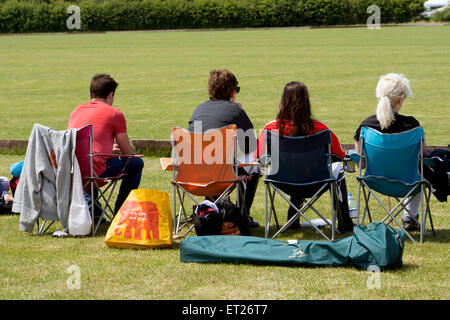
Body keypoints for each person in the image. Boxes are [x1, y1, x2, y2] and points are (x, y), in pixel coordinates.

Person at [255, 81, 352, 231]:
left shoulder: (270, 129)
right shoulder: (322, 130)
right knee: (337, 170)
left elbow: (258, 159)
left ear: (283, 101)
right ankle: (345, 223)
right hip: (316, 182)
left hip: (282, 181)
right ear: (307, 102)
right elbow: (340, 156)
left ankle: (292, 219)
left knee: (295, 167)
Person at [353, 73, 424, 231]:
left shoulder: (365, 126)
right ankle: (409, 217)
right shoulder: (413, 126)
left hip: (374, 181)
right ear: (400, 100)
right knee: (423, 172)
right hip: (408, 183)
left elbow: (360, 163)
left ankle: (408, 217)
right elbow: (422, 157)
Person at [189, 69, 260, 227]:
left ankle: (212, 210)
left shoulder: (198, 110)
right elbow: (250, 146)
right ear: (232, 91)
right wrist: (238, 111)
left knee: (218, 165)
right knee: (254, 166)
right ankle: (242, 216)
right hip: (222, 175)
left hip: (193, 176)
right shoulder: (235, 110)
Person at [68, 74, 144, 216]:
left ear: (91, 94)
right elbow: (128, 152)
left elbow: (84, 145)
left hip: (73, 173)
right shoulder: (114, 114)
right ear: (110, 95)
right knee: (137, 163)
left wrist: (107, 149)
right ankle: (120, 213)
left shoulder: (76, 111)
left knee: (89, 159)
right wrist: (127, 148)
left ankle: (93, 210)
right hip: (95, 174)